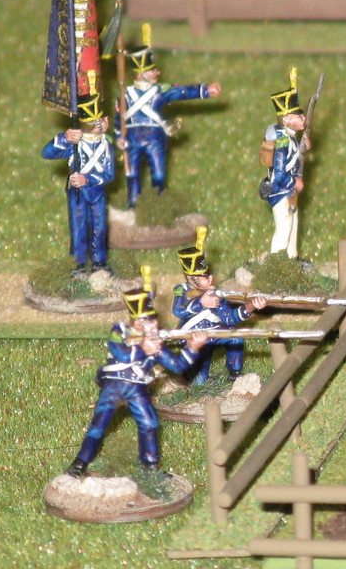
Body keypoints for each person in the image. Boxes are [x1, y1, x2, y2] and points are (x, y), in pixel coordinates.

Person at [66, 267, 208, 478]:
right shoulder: (120, 331)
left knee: (150, 424)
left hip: (137, 388)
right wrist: (144, 348)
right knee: (98, 426)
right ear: (136, 322)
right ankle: (79, 464)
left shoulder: (155, 341)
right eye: (145, 321)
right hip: (114, 385)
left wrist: (193, 348)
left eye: (152, 320)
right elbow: (121, 354)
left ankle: (150, 469)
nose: (151, 325)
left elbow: (177, 366)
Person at [117, 24, 221, 207]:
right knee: (132, 175)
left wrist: (205, 90)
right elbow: (120, 118)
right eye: (152, 71)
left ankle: (157, 206)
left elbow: (182, 92)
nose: (157, 72)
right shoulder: (125, 94)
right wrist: (119, 136)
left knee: (159, 175)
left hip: (155, 137)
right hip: (132, 138)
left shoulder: (160, 90)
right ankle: (133, 207)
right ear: (141, 73)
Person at [172, 226, 267, 383]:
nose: (210, 280)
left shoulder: (215, 293)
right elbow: (178, 311)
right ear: (191, 278)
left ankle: (234, 375)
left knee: (236, 338)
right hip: (193, 336)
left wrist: (250, 306)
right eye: (204, 277)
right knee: (200, 380)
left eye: (208, 276)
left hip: (214, 333)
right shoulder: (181, 290)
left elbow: (229, 319)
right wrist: (201, 303)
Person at [41, 81, 115, 276]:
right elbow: (47, 153)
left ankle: (99, 262)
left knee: (99, 228)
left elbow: (109, 174)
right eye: (96, 122)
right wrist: (65, 138)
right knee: (78, 227)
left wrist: (88, 180)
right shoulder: (75, 143)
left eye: (102, 120)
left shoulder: (106, 145)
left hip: (96, 192)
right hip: (77, 193)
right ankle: (78, 264)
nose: (102, 124)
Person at [260, 68, 309, 258]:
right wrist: (294, 182)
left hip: (289, 191)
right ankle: (276, 263)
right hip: (280, 190)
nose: (303, 118)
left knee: (293, 223)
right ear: (287, 119)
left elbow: (294, 154)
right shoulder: (282, 141)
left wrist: (303, 145)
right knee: (284, 227)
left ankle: (291, 259)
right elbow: (280, 173)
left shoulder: (290, 137)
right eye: (298, 116)